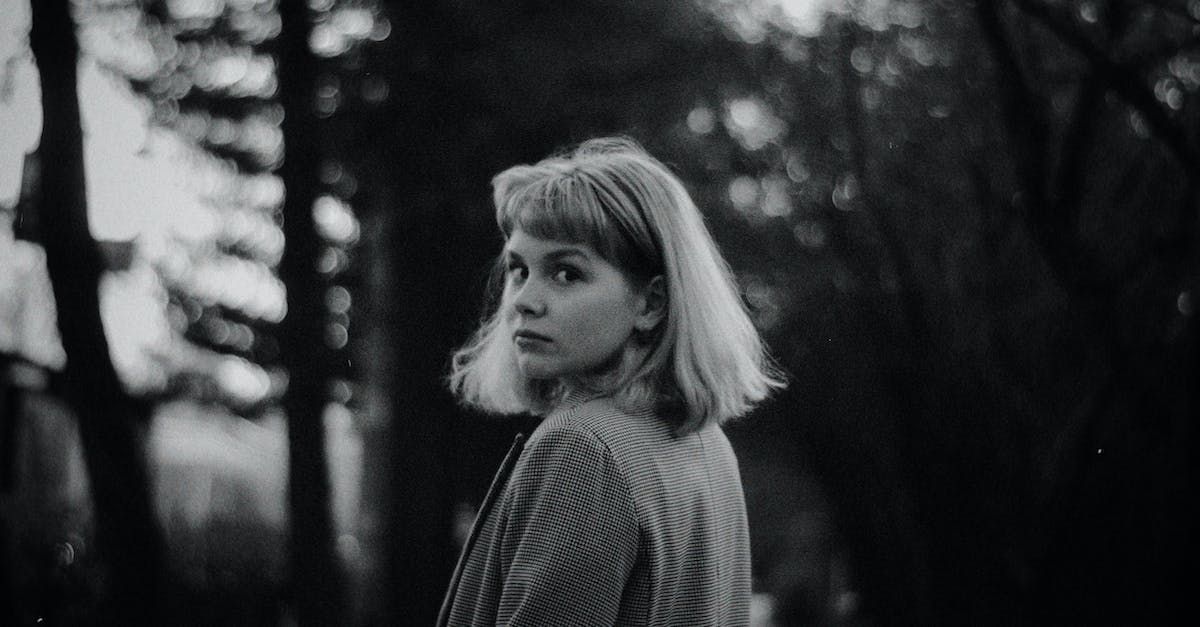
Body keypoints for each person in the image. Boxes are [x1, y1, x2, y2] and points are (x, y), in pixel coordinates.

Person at [438, 137, 784, 626]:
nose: (522, 301)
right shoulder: (705, 443)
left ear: (651, 304)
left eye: (565, 273)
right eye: (519, 270)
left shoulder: (584, 449)